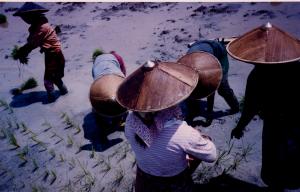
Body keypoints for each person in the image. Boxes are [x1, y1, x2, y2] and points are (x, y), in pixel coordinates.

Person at [117, 61, 217, 192]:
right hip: (174, 180)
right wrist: (198, 135)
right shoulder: (183, 132)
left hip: (144, 176)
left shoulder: (130, 121)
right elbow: (211, 155)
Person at [229, 22, 300, 192]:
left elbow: (250, 108)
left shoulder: (257, 76)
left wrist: (239, 128)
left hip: (274, 124)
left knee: (275, 160)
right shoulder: (297, 68)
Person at [13, 2, 68, 102]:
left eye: (25, 17)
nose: (24, 19)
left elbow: (32, 44)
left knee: (48, 80)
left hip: (53, 55)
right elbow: (34, 41)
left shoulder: (41, 28)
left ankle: (52, 100)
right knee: (55, 77)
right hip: (55, 53)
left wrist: (22, 52)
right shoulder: (41, 23)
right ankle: (64, 92)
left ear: (32, 16)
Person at [184, 39, 239, 126]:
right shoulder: (186, 68)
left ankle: (235, 107)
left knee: (222, 88)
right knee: (192, 92)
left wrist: (209, 115)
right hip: (201, 49)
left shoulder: (207, 73)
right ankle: (195, 110)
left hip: (219, 55)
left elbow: (211, 91)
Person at [90, 50, 127, 144]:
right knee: (120, 105)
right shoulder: (116, 57)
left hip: (101, 82)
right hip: (116, 77)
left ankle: (103, 132)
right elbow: (123, 72)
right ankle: (118, 123)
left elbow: (95, 79)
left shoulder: (95, 64)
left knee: (99, 110)